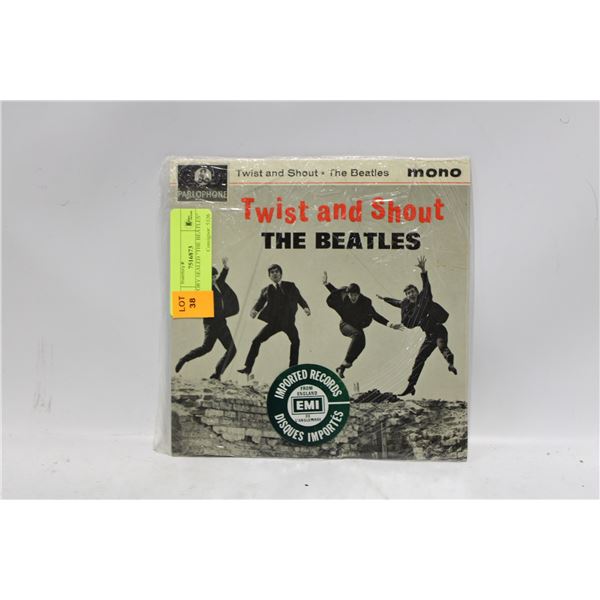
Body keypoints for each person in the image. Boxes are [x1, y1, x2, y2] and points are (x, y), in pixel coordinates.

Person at [377, 256, 457, 396]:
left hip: (439, 330)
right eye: (408, 293)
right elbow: (397, 302)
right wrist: (384, 299)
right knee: (419, 359)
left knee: (442, 346)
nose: (411, 295)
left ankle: (450, 363)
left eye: (412, 292)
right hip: (429, 336)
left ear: (417, 292)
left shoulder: (424, 298)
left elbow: (426, 286)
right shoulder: (407, 305)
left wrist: (423, 271)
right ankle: (411, 386)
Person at [323, 271, 402, 378]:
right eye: (351, 295)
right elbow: (335, 292)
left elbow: (375, 315)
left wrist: (390, 324)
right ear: (348, 294)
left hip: (357, 325)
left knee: (362, 342)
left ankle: (343, 366)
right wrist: (326, 284)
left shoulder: (365, 302)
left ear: (359, 295)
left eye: (355, 295)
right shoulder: (343, 298)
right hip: (345, 325)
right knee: (358, 335)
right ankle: (346, 362)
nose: (353, 297)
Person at [237, 264, 310, 376]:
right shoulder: (266, 290)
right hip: (274, 323)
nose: (275, 274)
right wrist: (254, 310)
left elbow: (299, 298)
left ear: (281, 274)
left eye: (277, 271)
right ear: (269, 276)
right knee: (256, 341)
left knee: (296, 341)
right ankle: (248, 368)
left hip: (288, 322)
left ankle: (292, 369)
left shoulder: (290, 286)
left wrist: (305, 307)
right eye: (272, 272)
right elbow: (260, 303)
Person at [175, 257, 239, 379]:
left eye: (214, 277)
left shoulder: (218, 284)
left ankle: (217, 374)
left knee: (232, 350)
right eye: (211, 277)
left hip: (221, 324)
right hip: (211, 324)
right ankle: (184, 359)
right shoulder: (205, 289)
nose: (214, 279)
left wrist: (225, 267)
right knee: (206, 348)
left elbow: (222, 277)